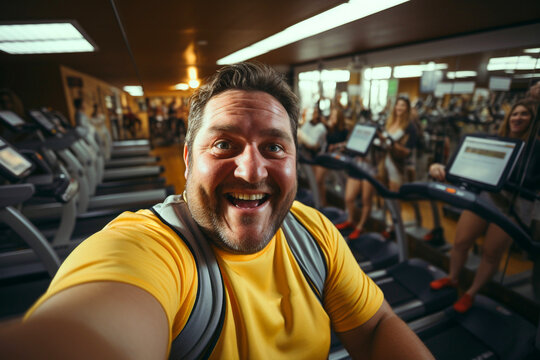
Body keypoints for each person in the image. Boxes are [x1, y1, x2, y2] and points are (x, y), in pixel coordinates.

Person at [0, 62, 433, 359]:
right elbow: (93, 334)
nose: (251, 169)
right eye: (224, 144)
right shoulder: (148, 249)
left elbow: (376, 328)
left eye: (274, 147)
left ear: (294, 159)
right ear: (188, 158)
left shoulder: (313, 231)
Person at [429, 99, 538, 313]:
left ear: (533, 120)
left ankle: (471, 293)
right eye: (515, 113)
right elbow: (465, 167)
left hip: (513, 206)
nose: (518, 118)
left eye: (524, 114)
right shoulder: (494, 141)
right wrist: (439, 168)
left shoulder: (536, 148)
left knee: (491, 253)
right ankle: (452, 278)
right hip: (485, 198)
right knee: (460, 241)